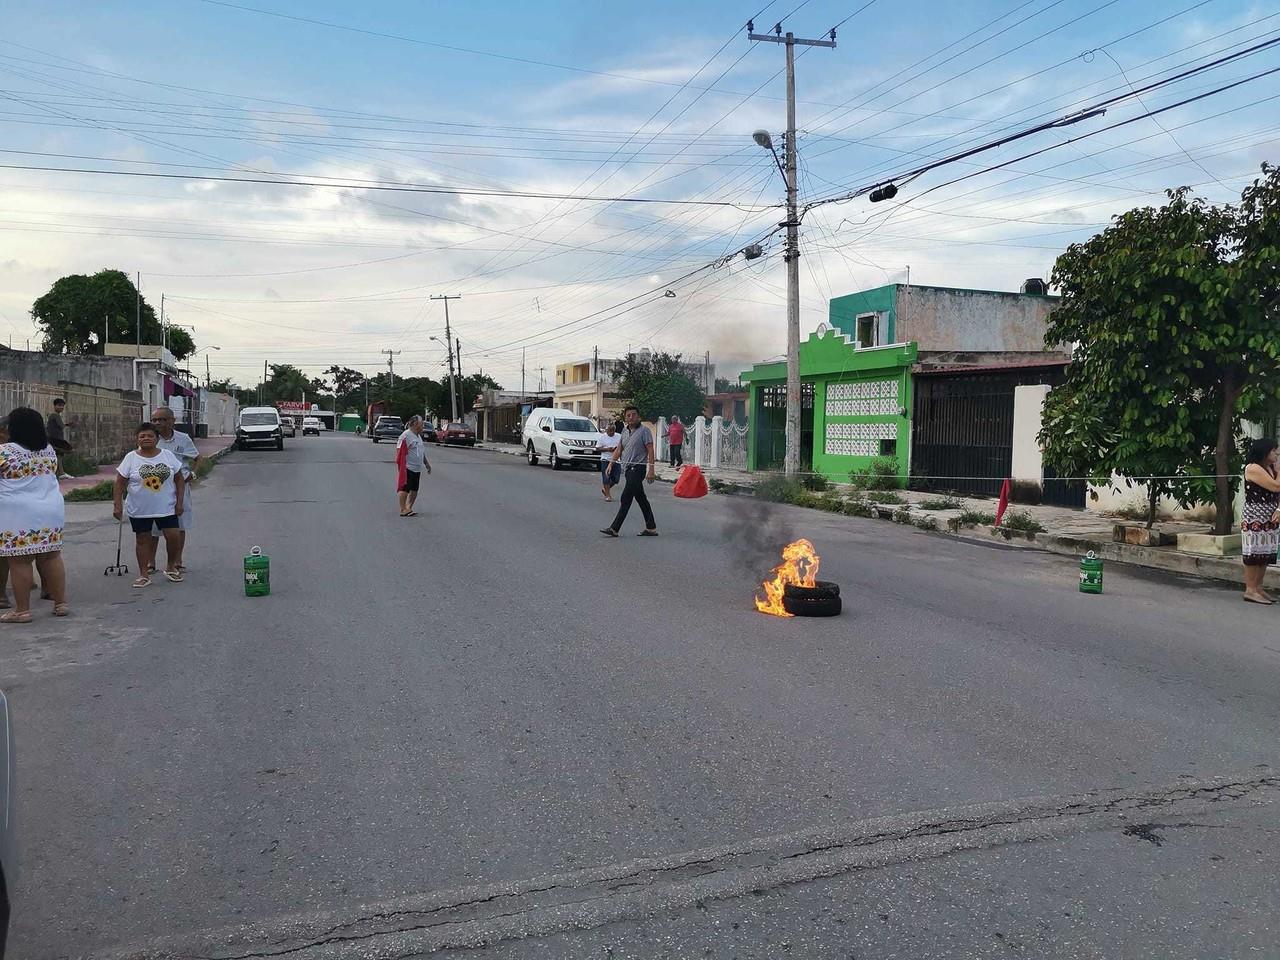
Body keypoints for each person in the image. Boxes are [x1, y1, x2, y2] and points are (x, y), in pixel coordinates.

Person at [0, 407, 68, 622]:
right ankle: (60, 603)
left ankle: (22, 611)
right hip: (51, 508)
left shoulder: (4, 451)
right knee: (51, 556)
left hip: (17, 512)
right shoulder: (49, 450)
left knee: (19, 561)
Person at [114, 423, 186, 588]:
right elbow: (119, 483)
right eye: (142, 436)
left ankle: (171, 567)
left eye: (150, 436)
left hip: (166, 507)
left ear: (157, 438)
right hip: (140, 509)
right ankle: (143, 574)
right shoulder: (131, 458)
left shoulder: (167, 456)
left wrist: (179, 502)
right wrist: (117, 504)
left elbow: (179, 479)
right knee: (142, 539)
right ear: (137, 439)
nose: (146, 439)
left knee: (173, 536)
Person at [151, 407, 202, 575]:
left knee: (179, 524)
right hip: (156, 487)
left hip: (179, 485)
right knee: (153, 526)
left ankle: (177, 561)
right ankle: (150, 562)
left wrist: (192, 474)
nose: (158, 423)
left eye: (162, 419)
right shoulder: (150, 438)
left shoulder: (183, 438)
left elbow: (197, 458)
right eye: (155, 420)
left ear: (172, 420)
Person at [600, 405, 658, 538]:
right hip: (627, 469)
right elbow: (619, 449)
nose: (631, 417)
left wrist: (651, 470)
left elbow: (650, 450)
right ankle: (651, 527)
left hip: (637, 469)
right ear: (625, 418)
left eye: (633, 415)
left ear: (639, 417)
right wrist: (611, 463)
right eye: (628, 415)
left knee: (626, 497)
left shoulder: (645, 431)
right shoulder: (624, 432)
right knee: (641, 498)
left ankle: (614, 528)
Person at [1241, 437, 1280, 604]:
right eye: (1273, 450)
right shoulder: (1253, 468)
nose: (1277, 453)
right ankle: (1250, 589)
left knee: (1265, 553)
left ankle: (1259, 587)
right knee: (1253, 552)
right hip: (1254, 515)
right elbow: (1276, 487)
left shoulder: (1271, 468)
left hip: (1270, 515)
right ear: (1264, 451)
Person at [395, 415, 432, 517]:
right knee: (405, 488)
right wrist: (401, 466)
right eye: (422, 424)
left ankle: (409, 507)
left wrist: (426, 464)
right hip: (408, 467)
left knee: (414, 490)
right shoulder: (406, 435)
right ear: (415, 424)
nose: (423, 426)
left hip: (417, 468)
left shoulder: (418, 436)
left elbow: (421, 452)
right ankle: (403, 509)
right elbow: (399, 451)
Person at [47, 396, 73, 479]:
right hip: (56, 438)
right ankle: (60, 472)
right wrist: (67, 425)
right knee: (65, 450)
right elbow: (61, 426)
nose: (61, 407)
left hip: (55, 438)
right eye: (59, 405)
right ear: (55, 406)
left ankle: (60, 472)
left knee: (59, 455)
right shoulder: (55, 415)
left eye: (62, 406)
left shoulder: (54, 415)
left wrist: (67, 425)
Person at [596, 421, 621, 501]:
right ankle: (608, 495)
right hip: (605, 459)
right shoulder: (602, 437)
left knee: (616, 479)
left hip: (616, 460)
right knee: (606, 477)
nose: (611, 432)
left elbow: (622, 447)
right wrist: (607, 449)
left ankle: (605, 489)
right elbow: (597, 448)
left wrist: (617, 449)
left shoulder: (619, 436)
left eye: (613, 430)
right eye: (610, 430)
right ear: (606, 430)